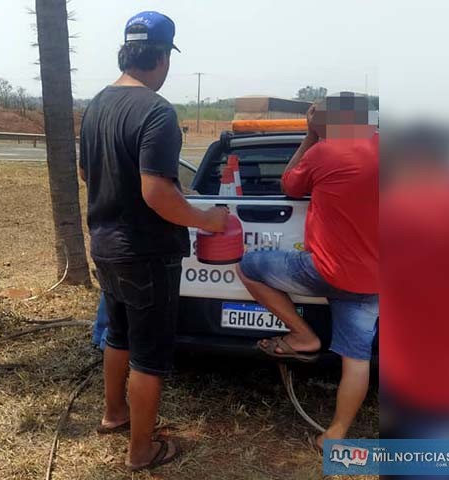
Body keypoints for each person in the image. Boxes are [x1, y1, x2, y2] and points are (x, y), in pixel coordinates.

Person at [78, 11, 228, 472]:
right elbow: (158, 191)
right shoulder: (157, 111)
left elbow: (87, 172)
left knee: (118, 334)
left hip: (105, 245)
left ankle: (113, 413)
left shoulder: (97, 105)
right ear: (162, 57)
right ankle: (141, 451)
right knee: (150, 355)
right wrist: (207, 220)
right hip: (146, 253)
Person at [235, 92, 379, 450]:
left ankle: (303, 336)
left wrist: (311, 136)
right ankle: (335, 435)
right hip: (376, 279)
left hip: (324, 270)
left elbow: (289, 184)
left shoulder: (322, 152)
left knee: (248, 266)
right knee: (356, 359)